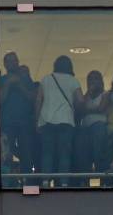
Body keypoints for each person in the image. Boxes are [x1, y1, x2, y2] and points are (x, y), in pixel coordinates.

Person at [35, 55, 80, 185]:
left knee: (47, 153)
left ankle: (45, 181)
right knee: (64, 154)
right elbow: (80, 100)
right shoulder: (73, 81)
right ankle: (64, 182)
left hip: (47, 121)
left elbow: (38, 100)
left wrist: (37, 121)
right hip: (66, 121)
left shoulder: (46, 79)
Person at [0, 53, 35, 175]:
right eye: (9, 61)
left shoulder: (26, 79)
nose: (13, 63)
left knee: (26, 152)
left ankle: (28, 182)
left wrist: (20, 85)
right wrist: (8, 85)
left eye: (15, 61)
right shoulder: (2, 80)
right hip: (7, 122)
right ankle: (8, 181)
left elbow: (33, 98)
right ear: (4, 64)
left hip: (24, 122)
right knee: (6, 152)